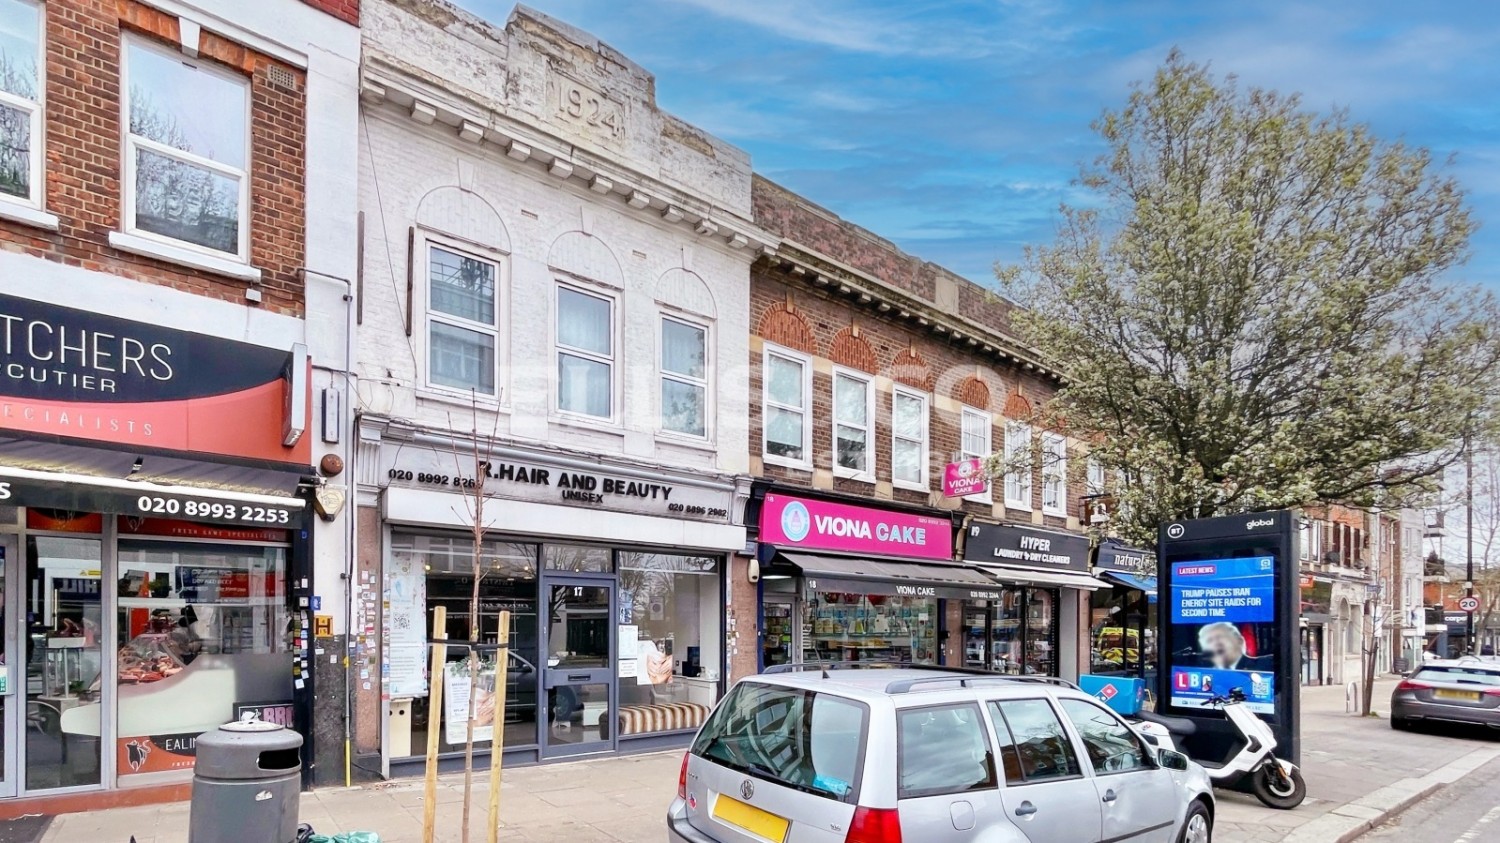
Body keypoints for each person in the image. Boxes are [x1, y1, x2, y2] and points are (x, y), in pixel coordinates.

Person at [1198, 622, 1272, 671]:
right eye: (1209, 641)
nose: (1215, 643)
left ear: (1240, 640)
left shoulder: (1267, 663)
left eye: (1220, 637)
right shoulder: (1205, 674)